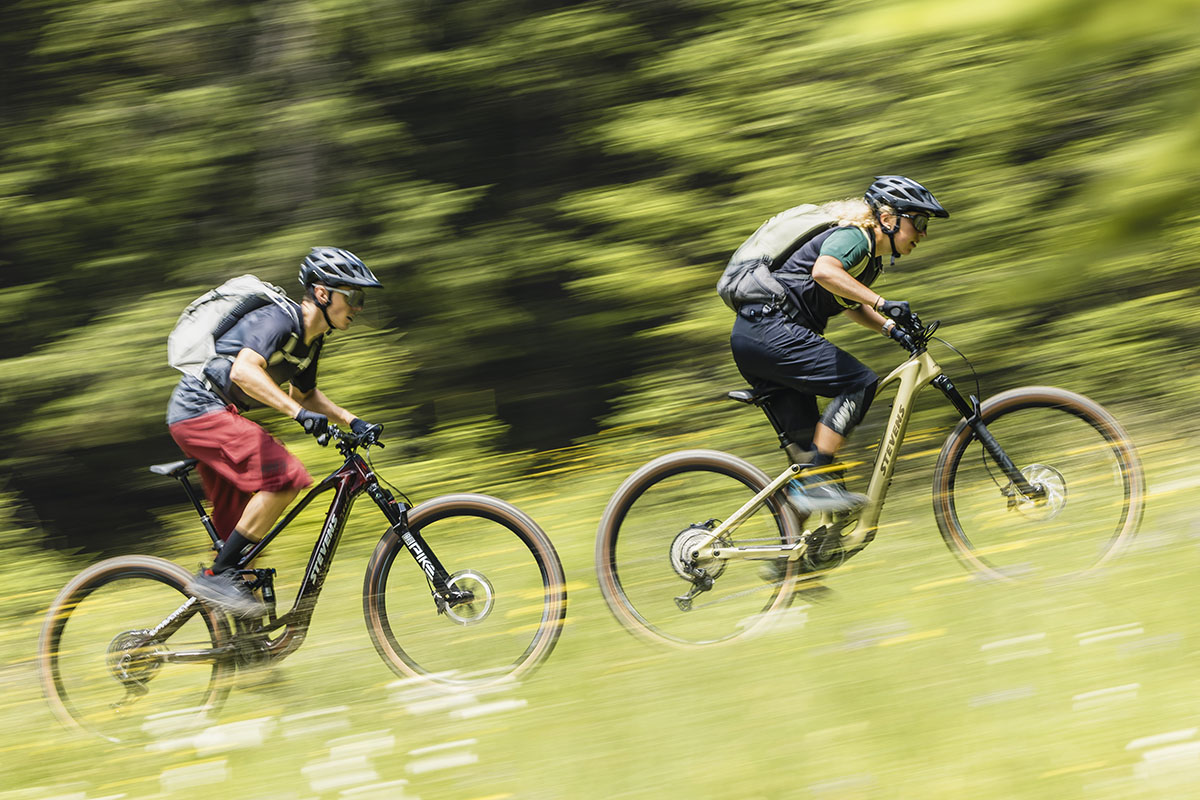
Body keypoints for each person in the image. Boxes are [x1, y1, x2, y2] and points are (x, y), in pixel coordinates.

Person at [167, 247, 383, 616]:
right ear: (322, 293)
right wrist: (299, 414)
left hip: (218, 414)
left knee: (244, 544)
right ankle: (216, 576)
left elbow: (304, 393)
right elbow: (244, 371)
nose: (358, 307)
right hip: (198, 409)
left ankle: (246, 651)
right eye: (353, 297)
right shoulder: (279, 320)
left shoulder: (310, 342)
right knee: (283, 478)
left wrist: (350, 420)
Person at [729, 175, 949, 514]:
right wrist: (881, 302)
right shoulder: (854, 237)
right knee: (859, 382)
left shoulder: (868, 262)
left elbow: (849, 301)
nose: (923, 233)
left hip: (760, 337)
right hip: (770, 331)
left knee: (810, 470)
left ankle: (792, 557)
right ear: (888, 218)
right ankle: (816, 481)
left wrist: (892, 328)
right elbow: (824, 272)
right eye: (918, 222)